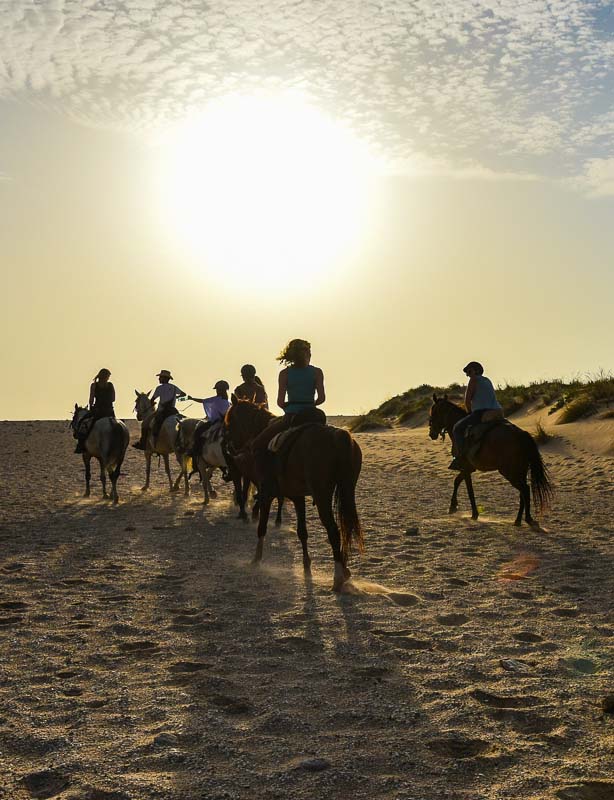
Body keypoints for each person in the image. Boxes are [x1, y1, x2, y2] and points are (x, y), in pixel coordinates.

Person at [250, 338, 326, 495]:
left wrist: (290, 405)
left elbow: (280, 402)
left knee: (257, 444)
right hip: (313, 415)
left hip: (292, 416)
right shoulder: (317, 372)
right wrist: (309, 403)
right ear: (308, 354)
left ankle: (267, 484)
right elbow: (321, 398)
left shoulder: (285, 374)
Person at [449, 361, 502, 470]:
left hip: (481, 412)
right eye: (467, 373)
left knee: (457, 429)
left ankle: (461, 459)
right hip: (497, 411)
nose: (467, 375)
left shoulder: (473, 380)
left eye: (469, 372)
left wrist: (469, 412)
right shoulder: (487, 380)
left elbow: (467, 400)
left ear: (474, 371)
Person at [133, 369, 186, 450]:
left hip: (162, 411)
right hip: (173, 411)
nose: (159, 379)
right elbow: (184, 394)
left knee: (145, 424)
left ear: (165, 378)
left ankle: (142, 444)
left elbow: (152, 400)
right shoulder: (174, 387)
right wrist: (176, 397)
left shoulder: (159, 388)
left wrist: (152, 403)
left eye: (160, 377)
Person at [75, 368, 116, 453]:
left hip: (98, 410)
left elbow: (91, 399)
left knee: (84, 423)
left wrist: (91, 408)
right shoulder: (110, 385)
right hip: (109, 410)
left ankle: (81, 445)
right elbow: (113, 399)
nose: (108, 378)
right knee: (115, 426)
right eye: (108, 376)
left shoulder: (94, 385)